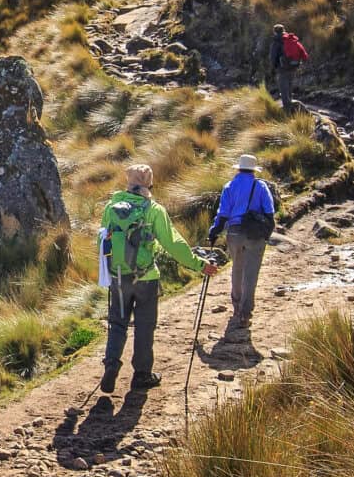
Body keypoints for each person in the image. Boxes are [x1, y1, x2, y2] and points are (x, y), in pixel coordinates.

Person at [96, 163, 217, 393]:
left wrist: (109, 270)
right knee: (144, 326)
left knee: (117, 324)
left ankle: (111, 364)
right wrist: (199, 265)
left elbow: (102, 241)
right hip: (146, 278)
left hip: (119, 276)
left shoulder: (111, 207)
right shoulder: (153, 210)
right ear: (150, 185)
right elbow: (173, 244)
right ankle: (142, 374)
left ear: (128, 183)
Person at [205, 154, 278, 339]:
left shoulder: (229, 186)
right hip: (254, 234)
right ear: (254, 170)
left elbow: (222, 214)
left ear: (238, 168)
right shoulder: (261, 186)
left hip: (234, 233)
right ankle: (245, 315)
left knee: (237, 269)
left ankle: (236, 308)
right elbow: (269, 212)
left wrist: (214, 232)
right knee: (250, 273)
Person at [267, 24, 309, 109]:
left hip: (282, 67)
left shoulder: (277, 41)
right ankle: (290, 102)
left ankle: (287, 107)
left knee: (283, 86)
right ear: (284, 30)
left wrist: (273, 67)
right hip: (294, 65)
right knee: (290, 83)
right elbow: (302, 52)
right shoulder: (292, 39)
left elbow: (273, 56)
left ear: (274, 31)